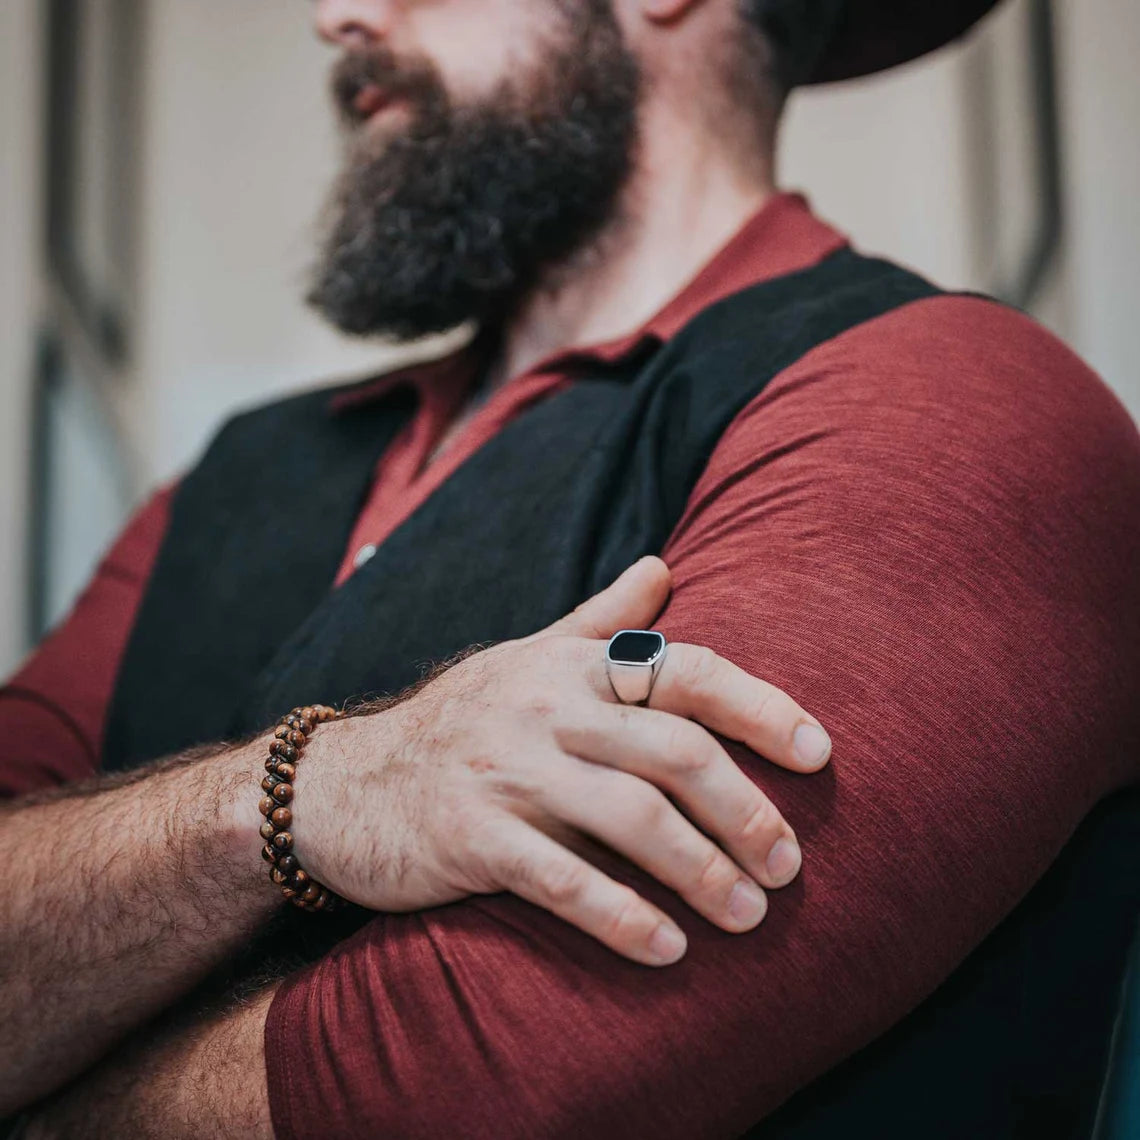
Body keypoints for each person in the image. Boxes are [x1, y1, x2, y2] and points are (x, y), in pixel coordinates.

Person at [2, 0, 1138, 1136]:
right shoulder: (238, 472)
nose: (337, 16)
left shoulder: (954, 401)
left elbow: (471, 1084)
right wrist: (304, 793)